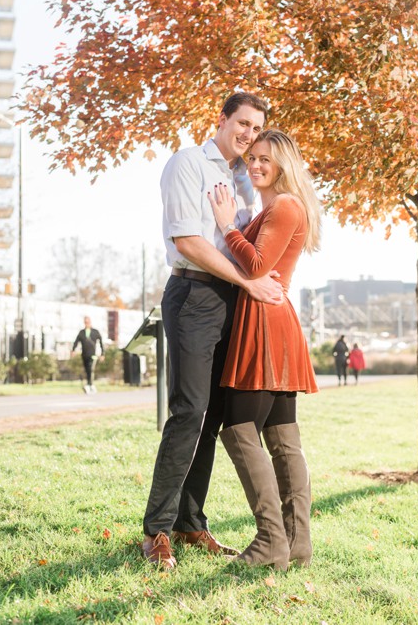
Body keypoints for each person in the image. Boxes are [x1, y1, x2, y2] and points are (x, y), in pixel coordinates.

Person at [141, 92, 285, 571]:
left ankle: (189, 522)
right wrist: (249, 281)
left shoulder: (242, 179)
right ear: (221, 120)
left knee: (213, 414)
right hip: (193, 297)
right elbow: (189, 241)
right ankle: (157, 530)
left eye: (255, 127)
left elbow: (248, 244)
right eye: (241, 123)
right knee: (189, 412)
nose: (247, 134)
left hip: (232, 303)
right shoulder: (188, 163)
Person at [210, 128, 321, 570]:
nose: (255, 165)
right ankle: (296, 542)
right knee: (282, 439)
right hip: (272, 322)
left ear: (282, 167)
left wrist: (225, 226)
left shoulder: (286, 206)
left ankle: (271, 540)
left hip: (266, 324)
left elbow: (256, 264)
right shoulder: (277, 207)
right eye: (252, 157)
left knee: (238, 430)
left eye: (265, 160)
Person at [71, 316, 104, 394]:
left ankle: (90, 385)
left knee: (91, 369)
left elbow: (101, 343)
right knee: (87, 370)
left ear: (90, 322)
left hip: (93, 355)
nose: (87, 323)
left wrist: (102, 354)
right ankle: (89, 385)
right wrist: (73, 350)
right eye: (85, 322)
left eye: (88, 322)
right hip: (84, 355)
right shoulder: (82, 332)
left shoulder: (95, 332)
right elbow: (76, 342)